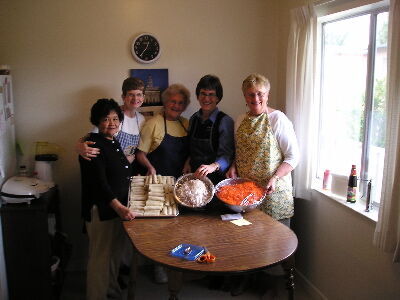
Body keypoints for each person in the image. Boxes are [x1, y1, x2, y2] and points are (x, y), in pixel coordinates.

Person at [79, 98, 136, 300]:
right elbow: (100, 184)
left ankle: (111, 290)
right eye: (105, 119)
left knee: (114, 254)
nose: (111, 123)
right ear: (97, 121)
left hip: (117, 209)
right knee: (100, 259)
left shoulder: (113, 141)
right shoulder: (92, 144)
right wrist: (119, 207)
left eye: (115, 118)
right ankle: (96, 296)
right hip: (102, 210)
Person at [77, 77, 146, 164]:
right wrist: (79, 146)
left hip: (128, 168)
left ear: (143, 97)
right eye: (131, 94)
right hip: (110, 167)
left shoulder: (141, 119)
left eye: (139, 94)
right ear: (123, 97)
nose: (135, 99)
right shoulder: (113, 116)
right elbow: (90, 138)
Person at [183, 75, 234, 187]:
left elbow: (227, 155)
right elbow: (191, 148)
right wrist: (188, 162)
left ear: (218, 98)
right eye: (203, 94)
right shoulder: (193, 119)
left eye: (211, 94)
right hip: (195, 176)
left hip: (216, 179)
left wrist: (213, 166)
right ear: (198, 95)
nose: (206, 99)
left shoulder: (225, 121)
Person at [136, 83, 190, 179]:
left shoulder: (186, 123)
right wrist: (150, 167)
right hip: (159, 181)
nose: (176, 106)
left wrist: (188, 162)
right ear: (165, 102)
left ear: (184, 106)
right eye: (173, 101)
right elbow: (140, 154)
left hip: (181, 180)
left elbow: (192, 150)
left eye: (181, 103)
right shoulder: (153, 124)